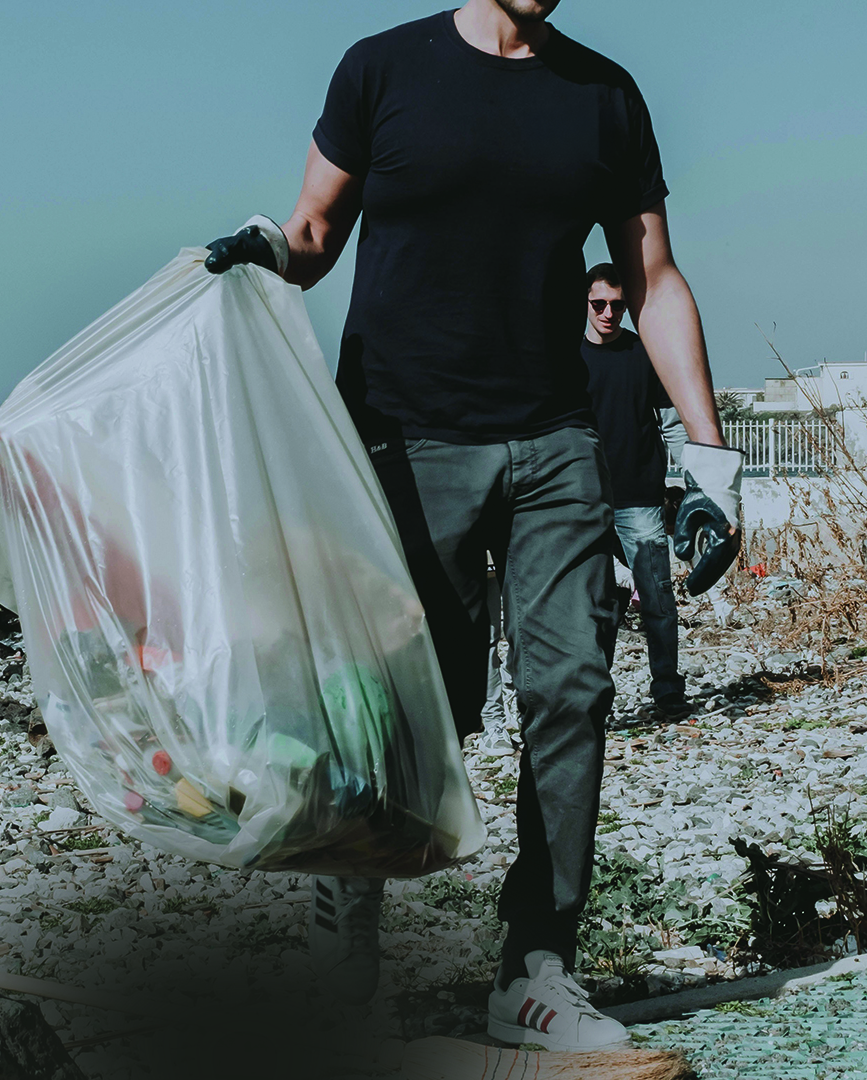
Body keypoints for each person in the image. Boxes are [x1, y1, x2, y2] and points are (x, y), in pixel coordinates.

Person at [204, 0, 742, 1052]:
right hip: (408, 438)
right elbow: (314, 232)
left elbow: (653, 278)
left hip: (555, 441)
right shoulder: (382, 71)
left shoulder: (605, 96)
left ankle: (535, 966)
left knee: (574, 693)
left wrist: (713, 459)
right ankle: (354, 878)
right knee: (426, 701)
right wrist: (263, 247)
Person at [581, 262, 691, 718]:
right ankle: (597, 702)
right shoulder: (565, 358)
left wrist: (682, 483)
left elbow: (672, 425)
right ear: (585, 303)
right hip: (583, 503)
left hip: (641, 500)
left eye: (618, 305)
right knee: (596, 608)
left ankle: (667, 692)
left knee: (658, 601)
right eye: (599, 304)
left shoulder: (645, 353)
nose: (609, 313)